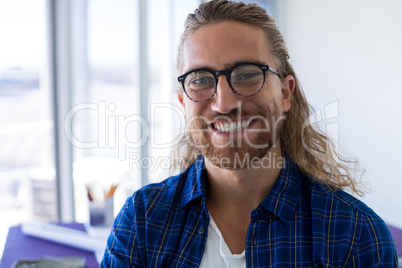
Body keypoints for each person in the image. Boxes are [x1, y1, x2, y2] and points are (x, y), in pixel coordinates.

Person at [100, 0, 398, 267]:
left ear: (285, 93)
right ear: (183, 102)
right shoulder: (142, 221)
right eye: (201, 79)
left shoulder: (355, 235)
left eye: (247, 74)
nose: (224, 103)